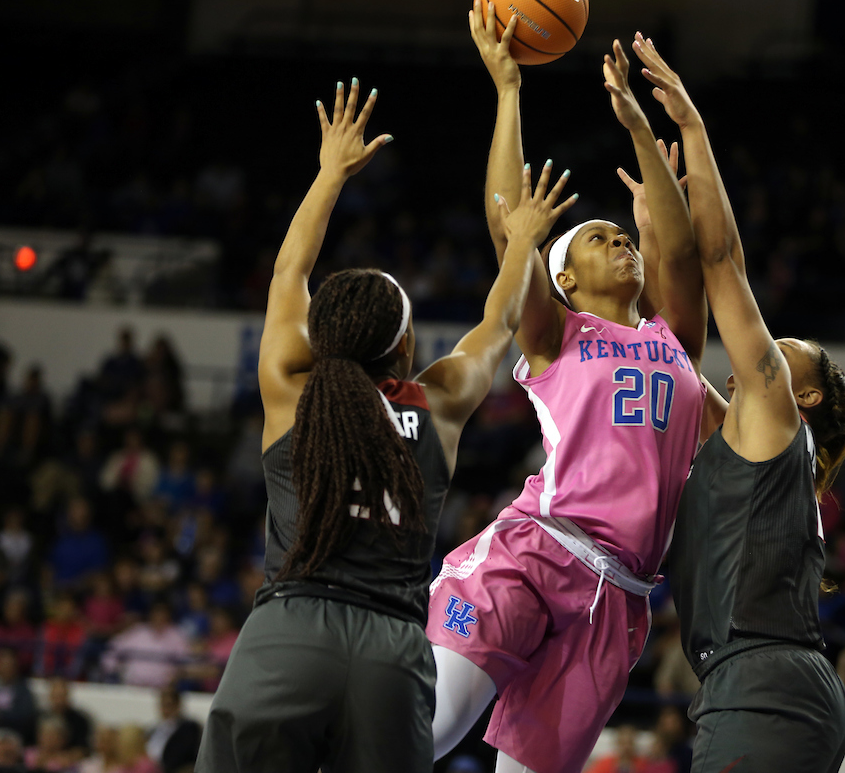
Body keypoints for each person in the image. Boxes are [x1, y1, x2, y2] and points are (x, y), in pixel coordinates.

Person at [196, 79, 576, 773]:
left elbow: (289, 272)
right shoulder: (440, 403)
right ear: (406, 347)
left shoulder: (291, 389)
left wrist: (330, 174)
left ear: (320, 338)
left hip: (290, 632)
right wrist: (523, 241)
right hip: (392, 652)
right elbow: (498, 322)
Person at [428, 9, 707, 773]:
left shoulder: (675, 340)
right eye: (596, 237)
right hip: (537, 552)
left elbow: (682, 252)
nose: (619, 239)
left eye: (623, 235)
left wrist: (641, 131)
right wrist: (508, 90)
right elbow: (507, 229)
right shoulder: (557, 333)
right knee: (429, 730)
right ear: (564, 280)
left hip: (620, 596)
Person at [630, 36, 845, 773]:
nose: (763, 347)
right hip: (755, 685)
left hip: (765, 687)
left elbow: (722, 259)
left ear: (805, 393)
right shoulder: (747, 441)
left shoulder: (777, 415)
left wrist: (693, 127)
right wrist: (653, 233)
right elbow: (661, 349)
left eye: (782, 345)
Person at [146, 687, 200, 773]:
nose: (165, 710)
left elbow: (181, 756)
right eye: (162, 705)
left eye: (168, 705)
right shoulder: (155, 729)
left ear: (177, 705)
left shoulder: (188, 729)